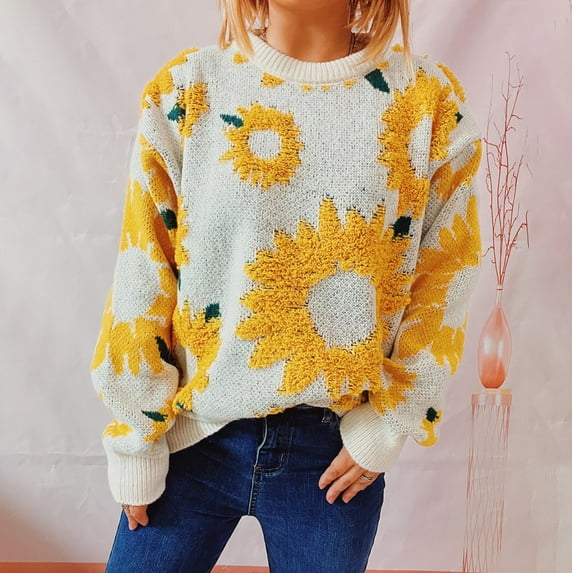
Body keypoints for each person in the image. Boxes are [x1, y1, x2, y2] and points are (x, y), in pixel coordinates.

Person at [91, 0, 482, 571]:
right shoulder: (188, 91)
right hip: (193, 436)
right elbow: (144, 269)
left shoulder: (428, 105)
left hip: (331, 454)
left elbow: (446, 273)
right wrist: (136, 436)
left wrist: (392, 419)